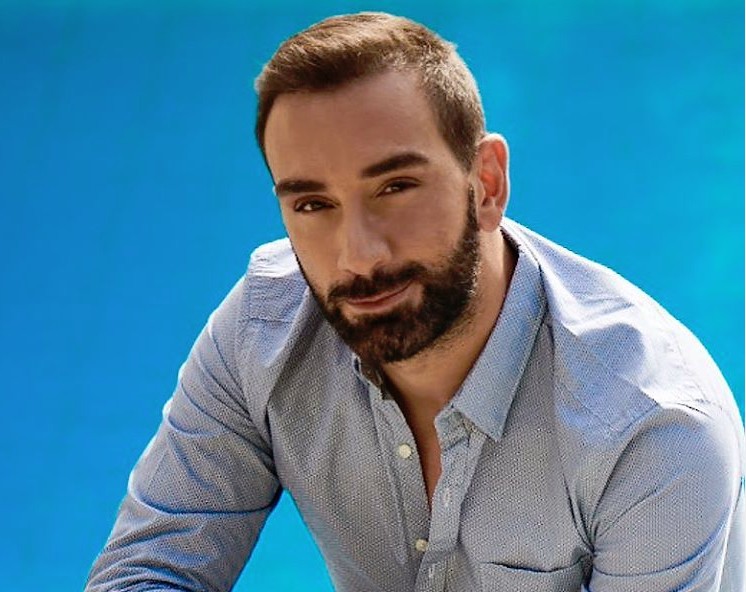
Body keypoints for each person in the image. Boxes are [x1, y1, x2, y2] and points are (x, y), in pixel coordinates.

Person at [86, 12, 744, 592]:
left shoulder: (651, 427)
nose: (358, 256)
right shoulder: (263, 328)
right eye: (312, 204)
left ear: (486, 184)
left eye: (395, 187)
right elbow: (147, 573)